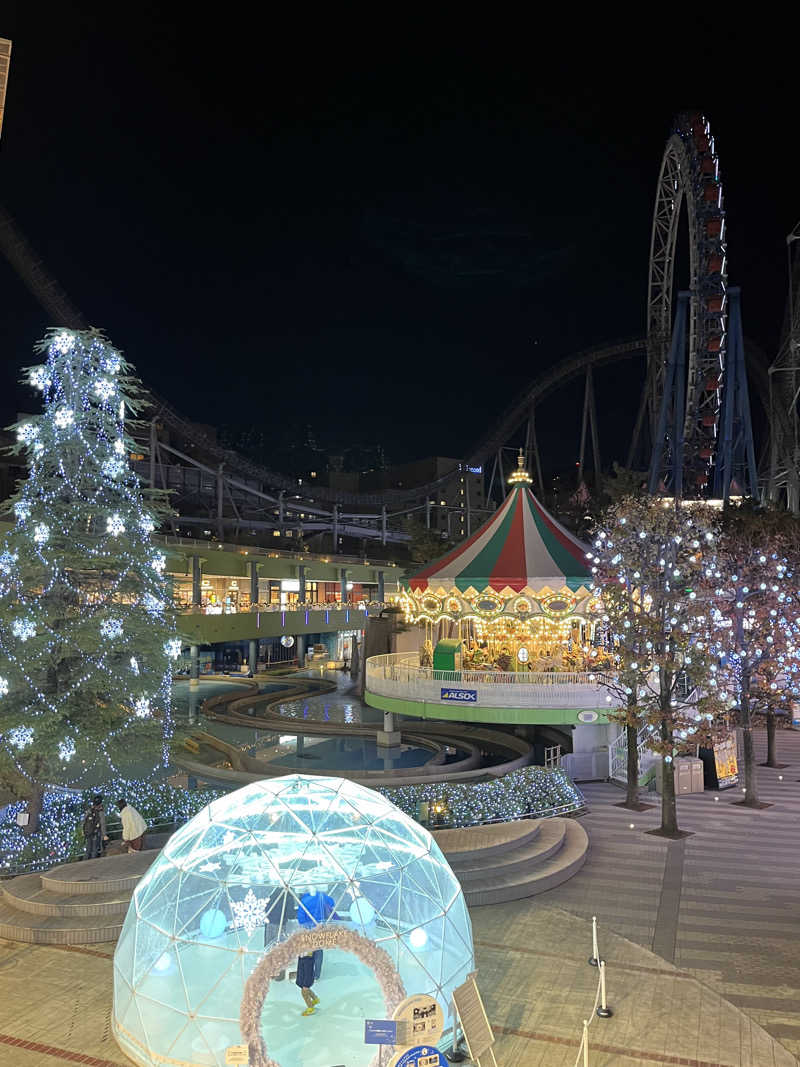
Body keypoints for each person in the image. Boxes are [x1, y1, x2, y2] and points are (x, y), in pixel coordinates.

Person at [296, 886, 339, 989]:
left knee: (308, 953)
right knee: (319, 951)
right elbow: (332, 903)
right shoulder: (322, 896)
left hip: (308, 929)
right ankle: (317, 974)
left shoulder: (304, 900)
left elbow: (301, 918)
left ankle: (308, 976)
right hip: (320, 926)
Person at [82, 795, 108, 860]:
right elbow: (103, 823)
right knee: (95, 850)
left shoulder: (89, 810)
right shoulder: (100, 812)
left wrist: (83, 830)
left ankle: (84, 863)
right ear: (100, 803)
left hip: (88, 832)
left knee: (88, 849)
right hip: (96, 833)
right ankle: (92, 864)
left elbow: (84, 821)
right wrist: (104, 835)